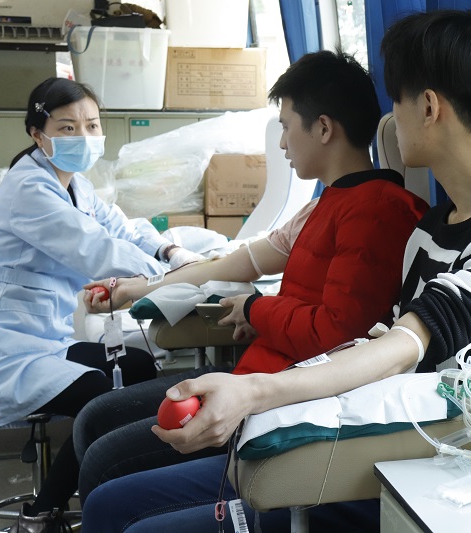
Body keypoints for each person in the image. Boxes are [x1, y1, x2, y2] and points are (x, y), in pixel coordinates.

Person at [81, 10, 471, 532]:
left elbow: (402, 345)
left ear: (428, 108)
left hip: (425, 470)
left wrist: (254, 392)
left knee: (120, 508)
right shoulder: (434, 226)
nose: (389, 120)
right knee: (113, 500)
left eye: (397, 102)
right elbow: (376, 339)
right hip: (368, 431)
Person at [73, 49, 428, 506]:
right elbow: (252, 270)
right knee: (95, 419)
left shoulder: (377, 211)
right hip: (255, 373)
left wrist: (257, 309)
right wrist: (149, 289)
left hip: (279, 402)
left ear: (323, 128)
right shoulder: (325, 206)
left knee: (106, 462)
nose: (281, 144)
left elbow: (336, 335)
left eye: (285, 126)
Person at [0, 77, 191, 531]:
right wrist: (178, 277)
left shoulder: (75, 186)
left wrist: (170, 251)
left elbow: (121, 227)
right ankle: (44, 512)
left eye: (91, 125)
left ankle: (104, 486)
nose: (84, 137)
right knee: (101, 397)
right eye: (67, 128)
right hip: (1, 349)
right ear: (38, 134)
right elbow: (95, 248)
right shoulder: (29, 190)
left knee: (137, 369)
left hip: (42, 340)